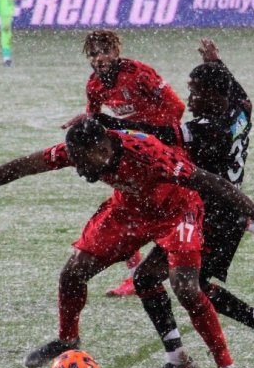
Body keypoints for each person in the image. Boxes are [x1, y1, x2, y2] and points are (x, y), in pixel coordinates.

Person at [0, 117, 254, 368]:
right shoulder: (81, 147)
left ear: (103, 148)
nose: (78, 169)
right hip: (130, 210)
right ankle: (69, 340)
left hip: (178, 211)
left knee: (186, 286)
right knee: (73, 272)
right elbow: (24, 166)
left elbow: (211, 182)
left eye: (84, 163)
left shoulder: (149, 153)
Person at [93, 38, 254, 368]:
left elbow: (154, 132)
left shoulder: (206, 129)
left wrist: (104, 125)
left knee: (176, 283)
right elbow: (234, 88)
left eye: (197, 92)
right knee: (176, 282)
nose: (191, 99)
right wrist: (218, 62)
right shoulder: (241, 109)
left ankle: (193, 360)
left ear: (215, 96)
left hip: (214, 215)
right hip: (224, 212)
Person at [65, 29, 187, 297]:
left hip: (162, 150)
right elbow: (95, 119)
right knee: (124, 208)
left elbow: (177, 109)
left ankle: (180, 264)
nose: (100, 58)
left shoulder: (138, 73)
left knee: (166, 207)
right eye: (94, 53)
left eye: (105, 51)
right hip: (134, 152)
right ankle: (136, 275)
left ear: (116, 52)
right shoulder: (94, 85)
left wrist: (142, 132)